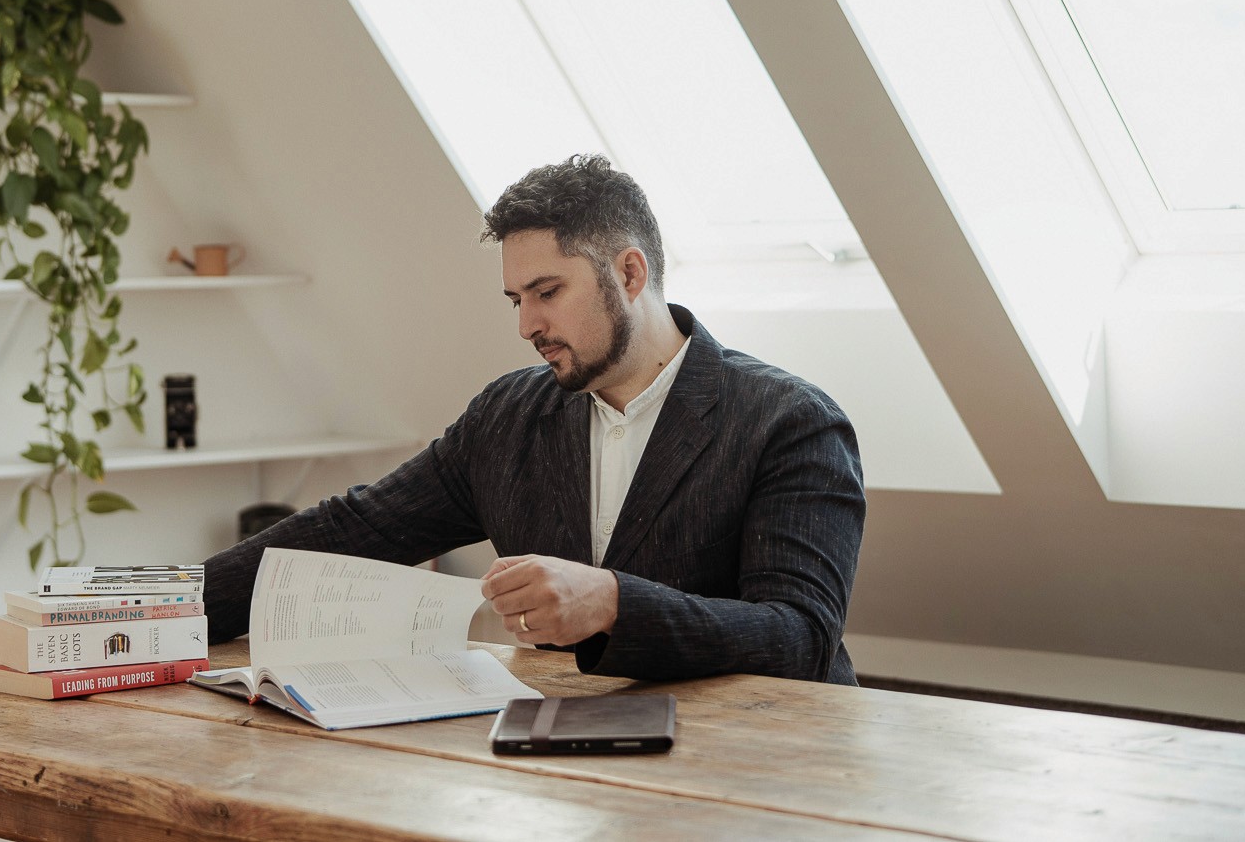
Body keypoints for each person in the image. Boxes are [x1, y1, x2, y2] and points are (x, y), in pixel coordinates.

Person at [201, 155, 866, 684]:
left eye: (547, 292)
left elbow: (799, 637)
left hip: (764, 777)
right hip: (573, 768)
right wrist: (162, 608)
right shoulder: (506, 418)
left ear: (630, 272)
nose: (526, 325)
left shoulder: (792, 423)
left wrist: (611, 601)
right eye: (516, 298)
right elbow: (354, 527)